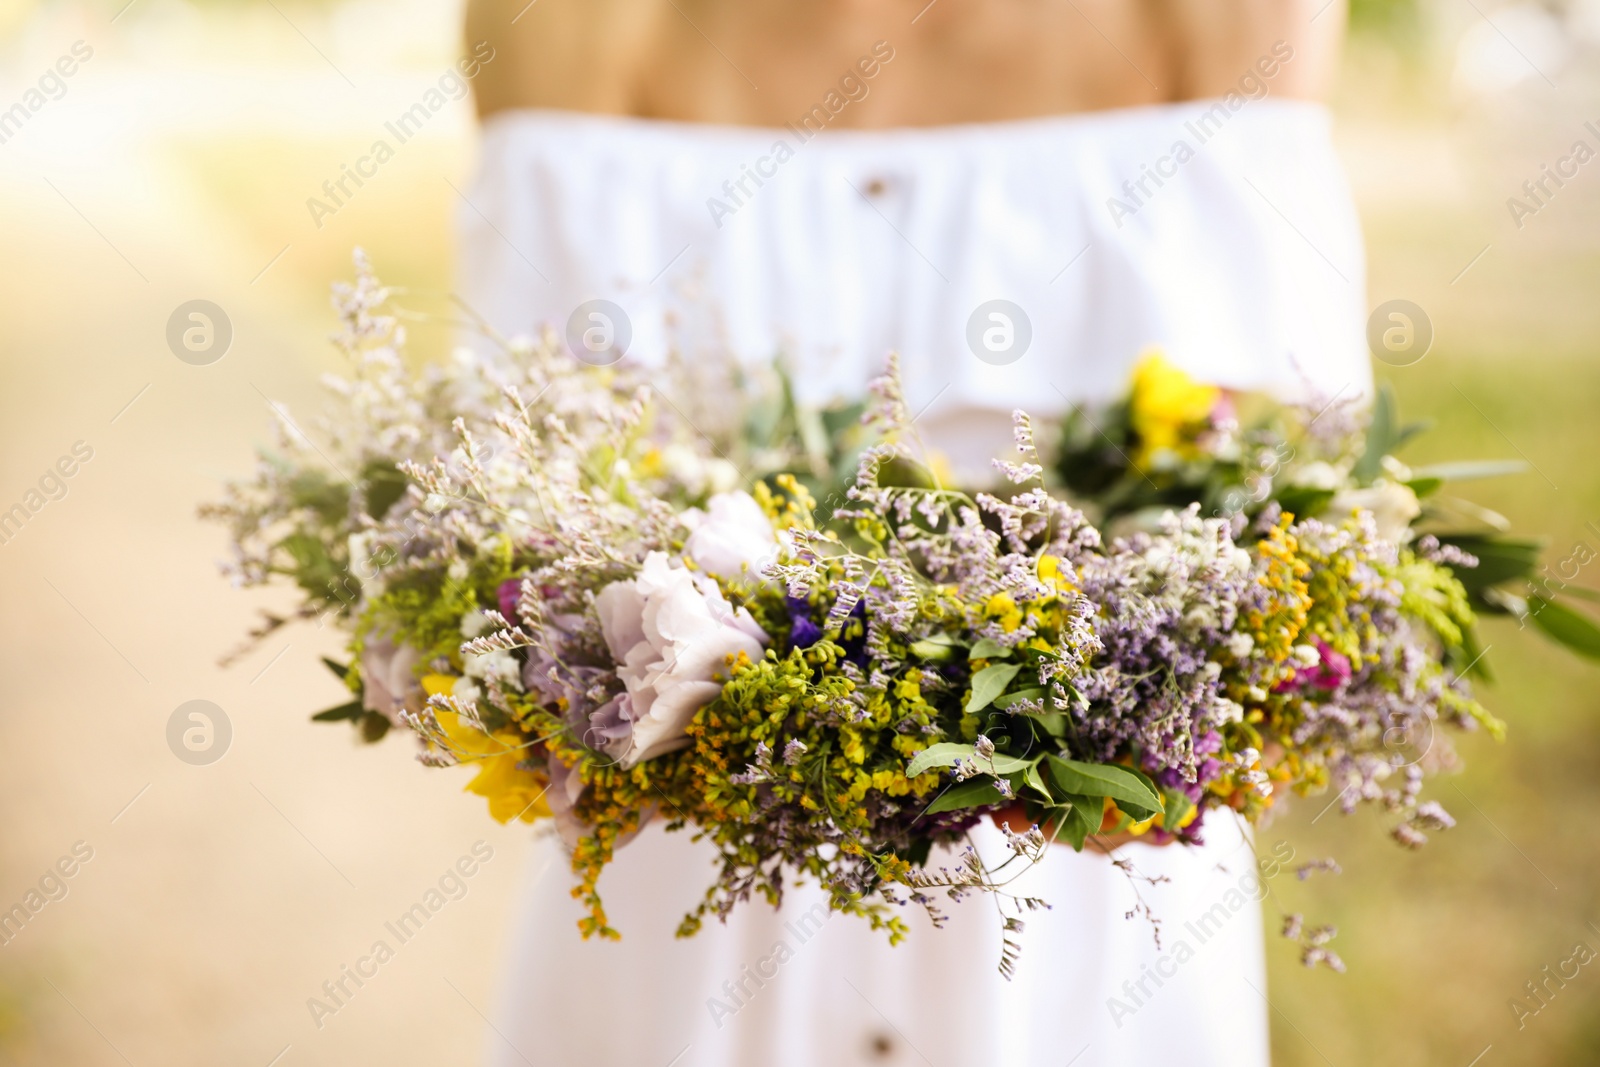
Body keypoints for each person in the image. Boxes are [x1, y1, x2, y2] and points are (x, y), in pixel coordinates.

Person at [455, 2, 1371, 1064]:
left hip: (1086, 881)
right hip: (680, 869)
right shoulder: (561, 23)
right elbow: (523, 487)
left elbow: (1262, 494)